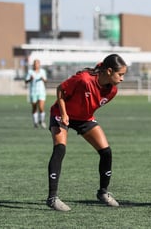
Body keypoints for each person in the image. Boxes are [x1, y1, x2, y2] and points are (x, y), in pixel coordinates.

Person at [46, 54, 127, 211]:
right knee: (60, 149)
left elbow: (88, 106)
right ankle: (52, 198)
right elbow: (61, 90)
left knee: (106, 152)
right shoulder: (84, 79)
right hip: (62, 113)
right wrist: (63, 114)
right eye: (121, 74)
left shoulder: (112, 91)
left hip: (84, 119)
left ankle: (103, 193)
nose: (122, 78)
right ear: (109, 71)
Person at [25, 59, 47, 128]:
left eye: (37, 64)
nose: (36, 65)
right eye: (34, 64)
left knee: (41, 107)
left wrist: (43, 79)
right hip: (33, 92)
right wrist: (30, 79)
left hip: (41, 92)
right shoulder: (30, 72)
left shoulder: (42, 71)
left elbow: (46, 80)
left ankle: (42, 121)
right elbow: (26, 81)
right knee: (34, 107)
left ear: (39, 64)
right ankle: (35, 122)